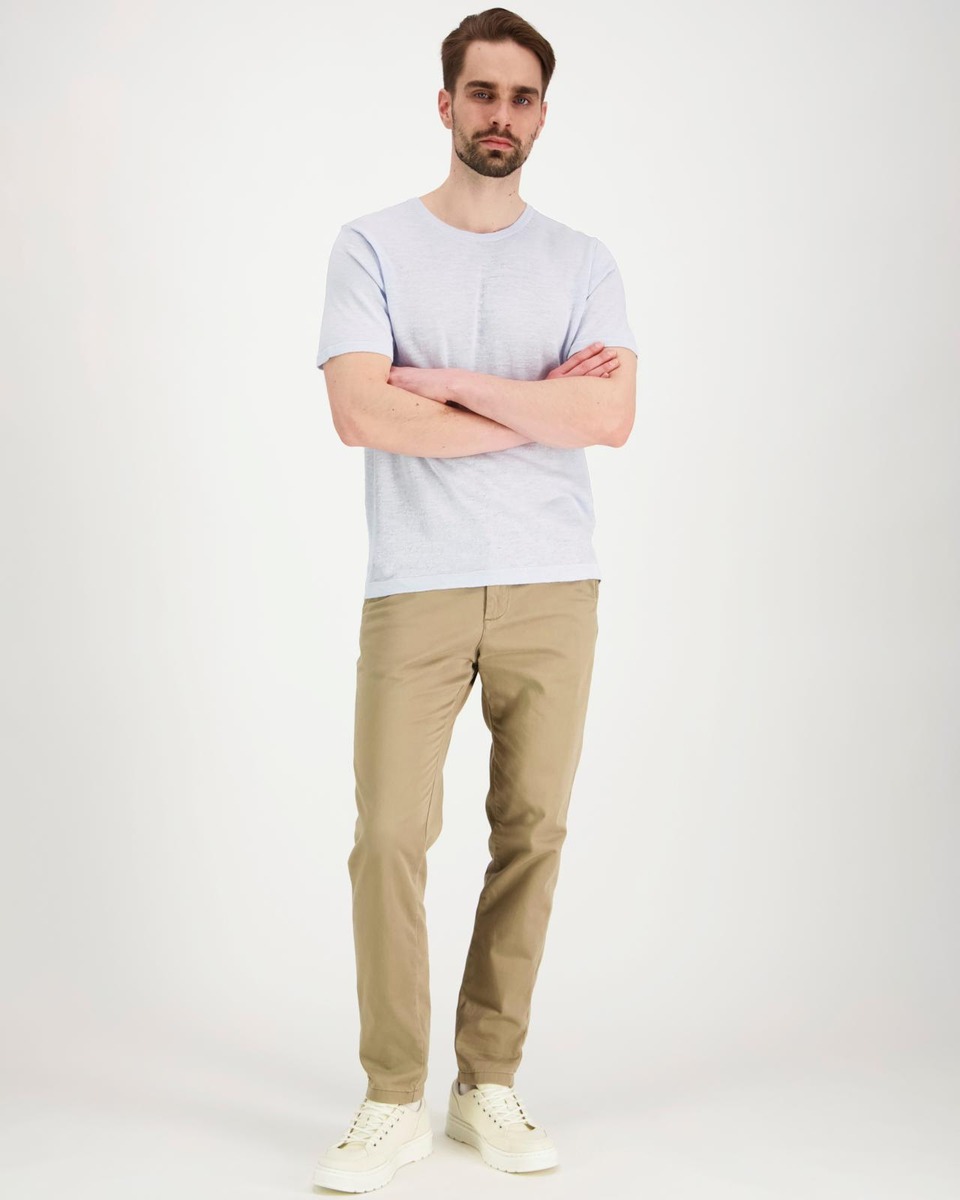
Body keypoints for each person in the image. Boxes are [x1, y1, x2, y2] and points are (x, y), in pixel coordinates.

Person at [312, 7, 638, 1192]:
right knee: (390, 838)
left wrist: (442, 382)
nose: (502, 115)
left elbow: (610, 416)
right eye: (483, 93)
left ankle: (484, 1083)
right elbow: (360, 412)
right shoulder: (372, 246)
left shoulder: (583, 262)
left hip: (555, 584)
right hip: (416, 583)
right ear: (445, 103)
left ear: (543, 115)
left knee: (531, 833)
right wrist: (534, 405)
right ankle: (393, 1094)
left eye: (523, 97)